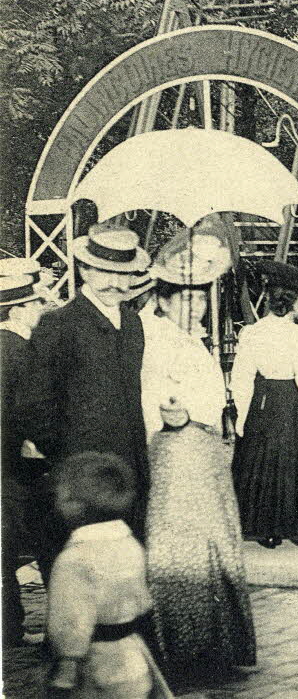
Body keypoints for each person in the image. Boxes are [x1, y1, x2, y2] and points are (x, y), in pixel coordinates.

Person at [139, 228, 255, 685]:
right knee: (183, 551)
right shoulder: (158, 338)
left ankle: (215, 647)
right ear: (163, 300)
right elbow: (154, 394)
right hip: (177, 455)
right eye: (183, 298)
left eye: (200, 298)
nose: (195, 306)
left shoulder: (194, 338)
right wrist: (173, 408)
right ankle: (187, 652)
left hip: (203, 455)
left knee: (212, 546)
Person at [23, 224, 152, 540]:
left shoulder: (133, 324)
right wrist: (67, 457)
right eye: (105, 272)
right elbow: (33, 405)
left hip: (130, 474)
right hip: (82, 480)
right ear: (83, 269)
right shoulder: (59, 325)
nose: (115, 284)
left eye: (124, 274)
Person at [230, 260, 298, 548]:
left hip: (262, 401)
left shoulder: (252, 333)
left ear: (268, 299)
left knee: (265, 466)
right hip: (292, 401)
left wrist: (242, 415)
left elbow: (241, 377)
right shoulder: (297, 335)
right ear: (293, 303)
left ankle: (268, 532)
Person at [45, 452, 169, 699]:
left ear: (73, 502)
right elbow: (143, 602)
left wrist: (64, 673)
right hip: (134, 657)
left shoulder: (74, 559)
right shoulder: (131, 545)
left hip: (95, 670)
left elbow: (71, 622)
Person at [1, 259, 54, 646]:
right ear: (18, 309)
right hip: (17, 468)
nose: (41, 310)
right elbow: (27, 415)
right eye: (36, 304)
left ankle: (12, 628)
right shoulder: (20, 351)